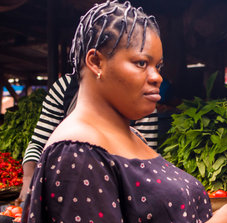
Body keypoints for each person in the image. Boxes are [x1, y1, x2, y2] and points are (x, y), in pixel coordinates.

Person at [12, 0, 227, 223]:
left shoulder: (128, 133)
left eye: (158, 66)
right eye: (141, 63)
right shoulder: (76, 153)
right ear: (96, 62)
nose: (157, 77)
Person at [16, 73, 159, 206]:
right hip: (63, 193)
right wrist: (29, 179)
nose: (156, 76)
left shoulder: (144, 95)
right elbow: (38, 144)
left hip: (121, 197)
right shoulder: (66, 87)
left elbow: (146, 166)